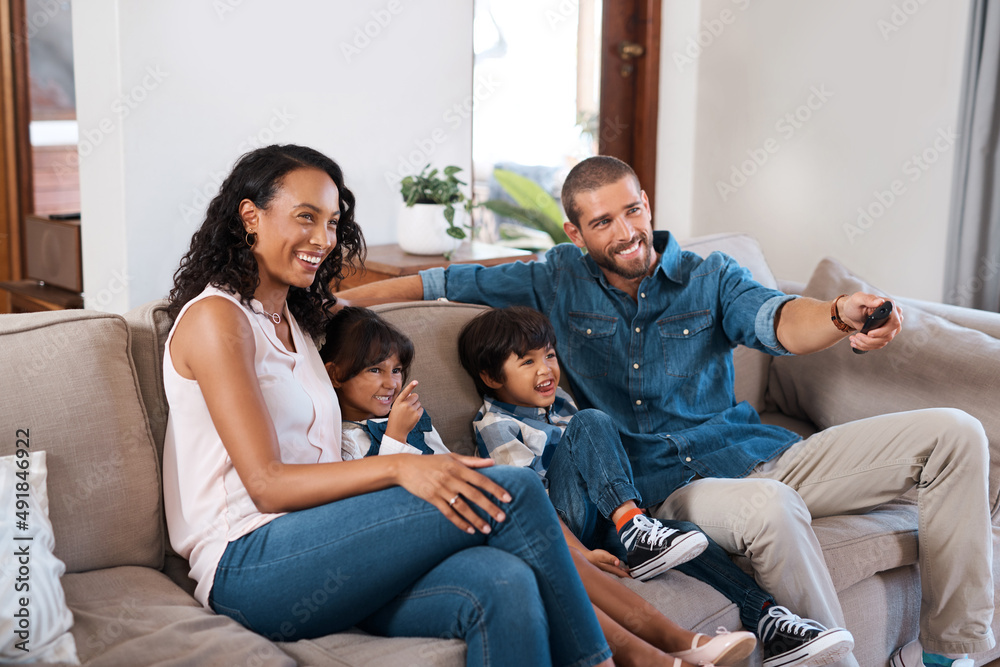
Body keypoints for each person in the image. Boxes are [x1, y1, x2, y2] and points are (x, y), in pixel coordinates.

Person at [336, 155, 994, 667]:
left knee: (955, 435)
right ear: (575, 231)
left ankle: (949, 648)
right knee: (767, 505)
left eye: (632, 211)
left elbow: (777, 322)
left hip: (763, 451)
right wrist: (333, 304)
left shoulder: (711, 276)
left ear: (646, 203)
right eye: (603, 222)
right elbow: (441, 281)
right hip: (676, 490)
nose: (626, 233)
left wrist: (835, 315)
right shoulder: (553, 277)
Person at [160, 144, 616, 667]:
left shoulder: (297, 323)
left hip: (331, 545)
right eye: (305, 218)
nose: (322, 240)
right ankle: (622, 658)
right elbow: (266, 484)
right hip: (250, 561)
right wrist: (398, 468)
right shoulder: (217, 320)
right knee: (506, 486)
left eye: (332, 223)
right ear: (250, 216)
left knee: (503, 583)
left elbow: (364, 304)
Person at [320, 304, 759, 667]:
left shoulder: (417, 418)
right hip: (446, 533)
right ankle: (661, 649)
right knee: (548, 545)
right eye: (374, 370)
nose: (390, 382)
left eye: (396, 370)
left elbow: (460, 469)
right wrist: (395, 437)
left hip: (484, 514)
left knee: (682, 539)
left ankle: (729, 624)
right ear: (335, 374)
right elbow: (373, 504)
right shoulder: (341, 438)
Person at [457, 304, 854, 667]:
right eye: (527, 362)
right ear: (491, 376)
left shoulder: (559, 401)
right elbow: (530, 501)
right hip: (563, 528)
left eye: (549, 356)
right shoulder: (498, 425)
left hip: (601, 523)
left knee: (690, 538)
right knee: (592, 422)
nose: (545, 369)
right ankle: (634, 525)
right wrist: (578, 555)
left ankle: (767, 618)